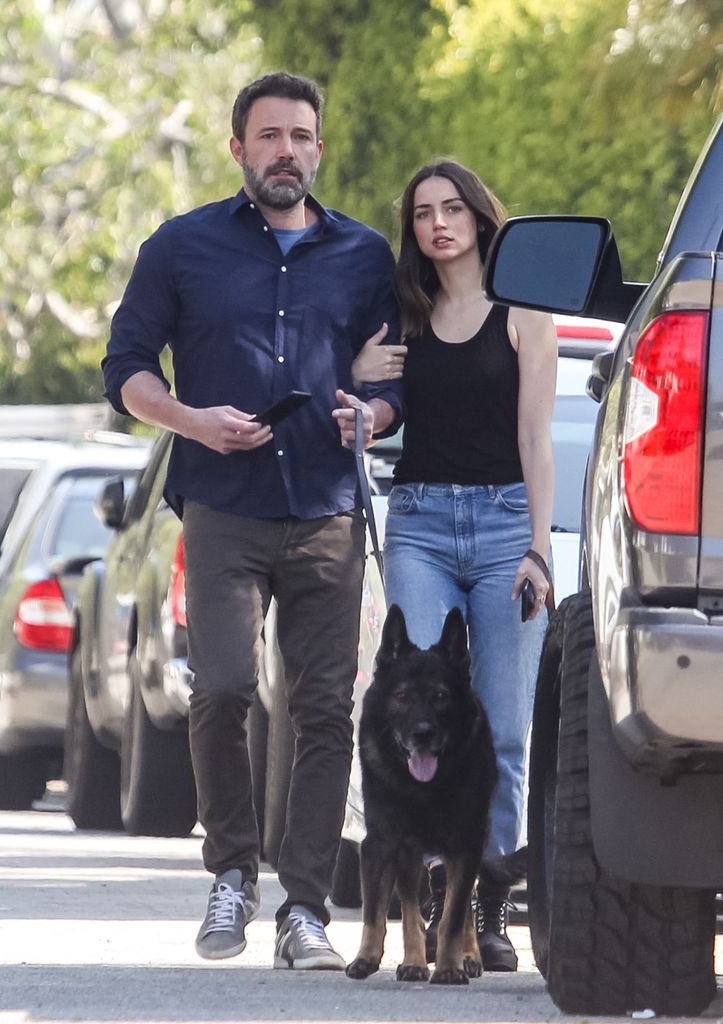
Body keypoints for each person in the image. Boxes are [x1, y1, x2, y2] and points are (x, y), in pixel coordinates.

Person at [102, 71, 402, 971]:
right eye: (268, 136)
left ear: (319, 147)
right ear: (238, 149)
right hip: (222, 505)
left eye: (301, 136)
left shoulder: (365, 255)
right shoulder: (180, 247)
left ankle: (303, 908)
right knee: (224, 688)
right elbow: (124, 368)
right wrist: (193, 421)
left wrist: (371, 418)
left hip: (325, 510)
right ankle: (231, 874)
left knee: (322, 709)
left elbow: (390, 383)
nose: (285, 151)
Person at [354, 160, 556, 972]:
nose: (438, 224)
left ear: (479, 216)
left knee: (501, 732)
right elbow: (366, 398)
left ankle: (486, 905)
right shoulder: (403, 312)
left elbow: (536, 439)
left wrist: (540, 548)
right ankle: (427, 904)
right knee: (412, 707)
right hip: (422, 523)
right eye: (422, 213)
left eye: (452, 209)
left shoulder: (521, 313)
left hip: (507, 523)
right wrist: (362, 380)